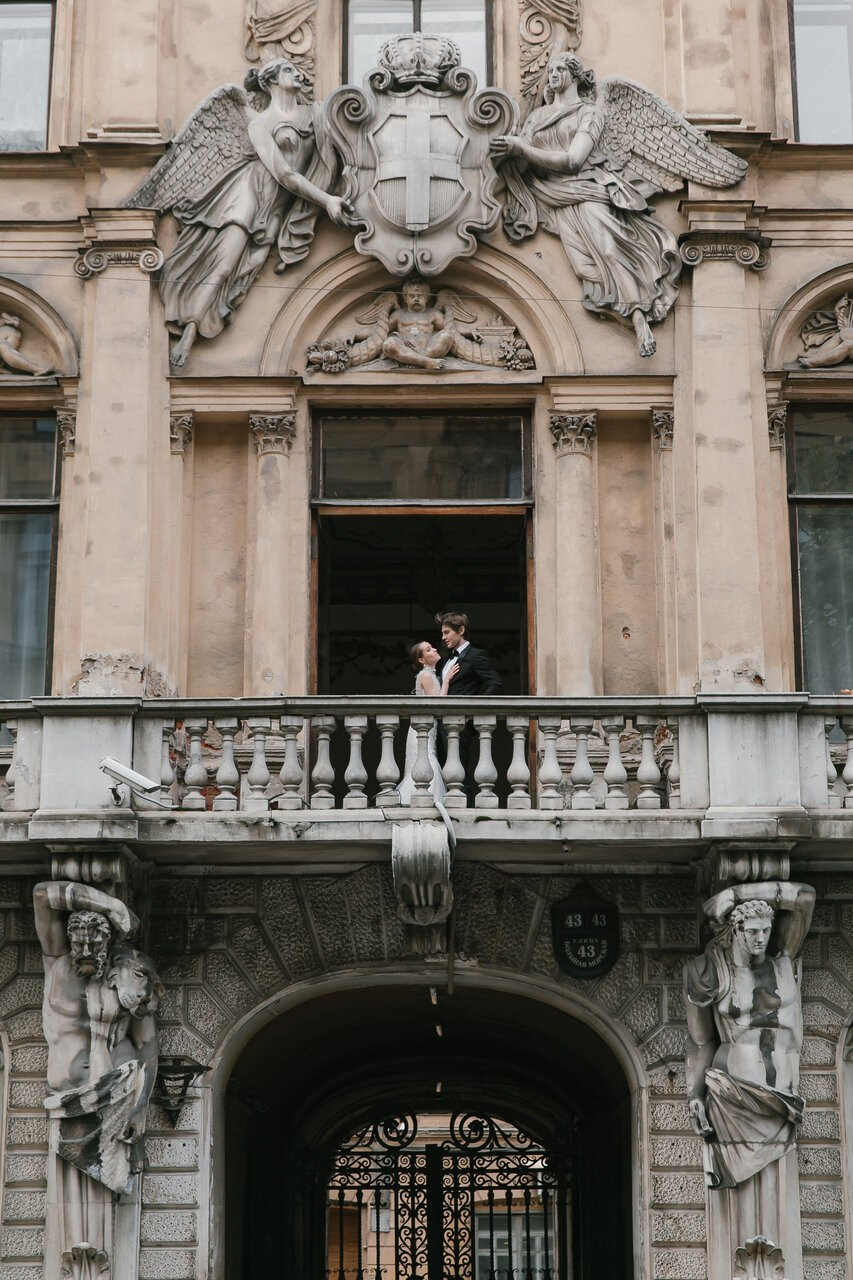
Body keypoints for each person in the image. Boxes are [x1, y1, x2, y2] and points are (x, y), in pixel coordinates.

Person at [157, 58, 353, 367]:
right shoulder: (260, 123)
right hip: (248, 196)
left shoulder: (313, 114)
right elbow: (285, 174)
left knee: (250, 268)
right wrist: (327, 200)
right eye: (289, 70)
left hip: (277, 206)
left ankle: (211, 315)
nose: (298, 73)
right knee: (223, 267)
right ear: (271, 81)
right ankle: (188, 336)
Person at [492, 54, 681, 358]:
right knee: (583, 267)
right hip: (555, 198)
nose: (552, 74)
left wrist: (522, 149)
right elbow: (516, 166)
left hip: (588, 190)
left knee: (607, 250)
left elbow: (572, 160)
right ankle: (626, 311)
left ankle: (638, 318)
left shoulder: (589, 114)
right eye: (550, 70)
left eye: (559, 69)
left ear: (575, 75)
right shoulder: (537, 118)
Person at [683, 879, 816, 1191]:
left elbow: (806, 898)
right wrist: (694, 1093)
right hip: (735, 1095)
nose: (761, 938)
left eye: (766, 930)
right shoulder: (712, 971)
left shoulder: (784, 959)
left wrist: (735, 894)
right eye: (752, 931)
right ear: (735, 931)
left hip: (785, 1096)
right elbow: (701, 1041)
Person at [34, 880, 163, 1196]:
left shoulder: (131, 972)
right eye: (80, 944)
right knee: (68, 1204)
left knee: (107, 1197)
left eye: (95, 944)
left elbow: (146, 1044)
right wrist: (111, 906)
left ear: (109, 941)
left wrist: (141, 1106)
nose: (87, 952)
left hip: (117, 1093)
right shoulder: (56, 961)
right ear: (69, 940)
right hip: (65, 1098)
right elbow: (41, 895)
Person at [437, 612, 503, 800]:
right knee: (445, 771)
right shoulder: (446, 659)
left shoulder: (476, 656)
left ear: (461, 630)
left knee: (460, 773)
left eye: (447, 632)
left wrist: (473, 713)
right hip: (442, 723)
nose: (443, 637)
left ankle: (465, 814)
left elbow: (495, 684)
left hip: (461, 724)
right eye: (442, 633)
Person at [396, 641, 459, 804]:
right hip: (422, 730)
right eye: (428, 650)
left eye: (432, 647)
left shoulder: (430, 674)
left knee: (425, 765)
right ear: (422, 660)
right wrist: (446, 681)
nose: (435, 650)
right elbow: (438, 704)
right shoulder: (425, 675)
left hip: (429, 730)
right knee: (426, 765)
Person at [380, 279, 481, 371]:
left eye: (420, 296)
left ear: (427, 298)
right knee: (389, 344)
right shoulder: (398, 314)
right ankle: (425, 362)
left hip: (428, 349)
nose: (416, 299)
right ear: (405, 298)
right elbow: (382, 332)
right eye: (412, 296)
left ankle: (416, 361)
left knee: (446, 335)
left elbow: (451, 330)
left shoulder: (433, 314)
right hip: (406, 349)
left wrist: (470, 332)